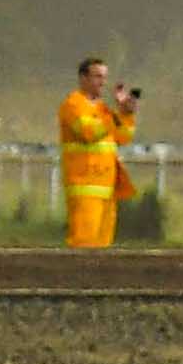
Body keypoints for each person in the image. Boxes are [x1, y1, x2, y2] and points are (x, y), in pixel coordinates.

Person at [56, 60, 136, 248]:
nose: (103, 82)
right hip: (84, 187)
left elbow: (123, 137)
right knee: (84, 245)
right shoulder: (73, 105)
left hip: (107, 188)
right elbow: (88, 133)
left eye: (104, 77)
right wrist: (115, 113)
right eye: (97, 76)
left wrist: (127, 114)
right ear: (83, 78)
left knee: (102, 248)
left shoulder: (103, 109)